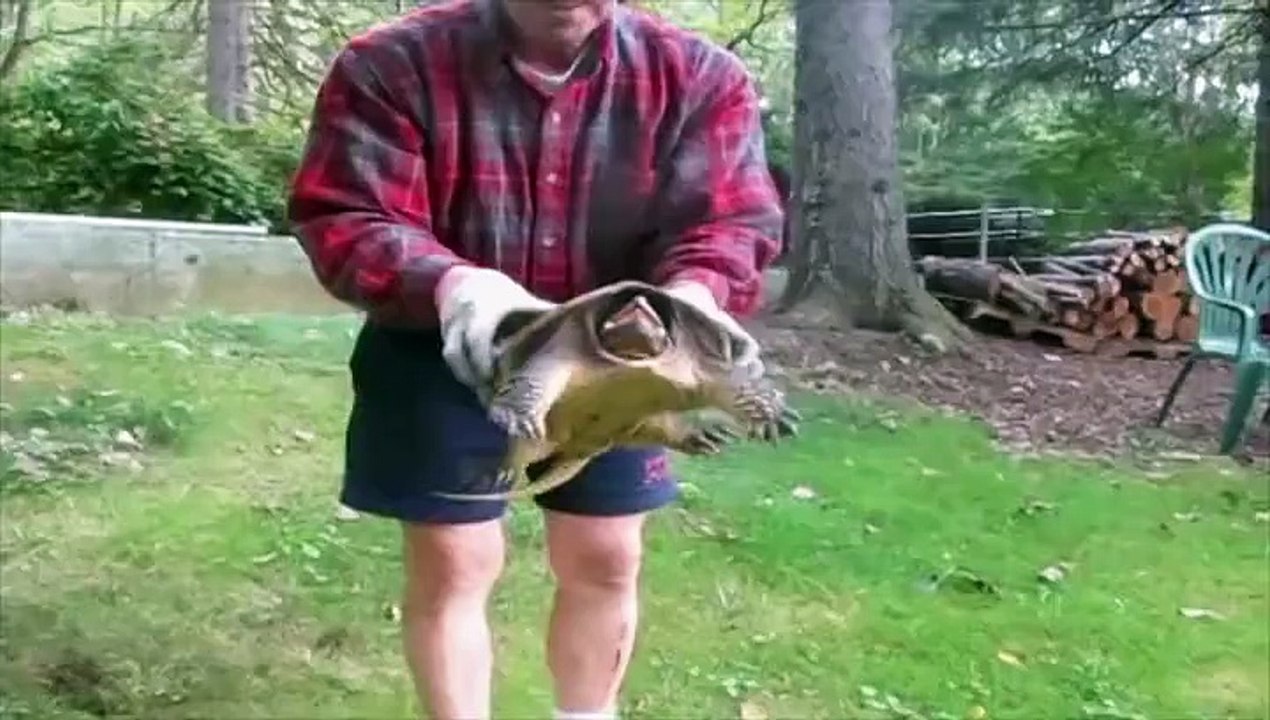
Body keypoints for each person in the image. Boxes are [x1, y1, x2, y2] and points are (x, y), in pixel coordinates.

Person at [286, 0, 783, 717]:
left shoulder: (700, 77)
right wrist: (456, 286)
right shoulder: (388, 64)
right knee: (457, 561)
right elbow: (346, 214)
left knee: (607, 555)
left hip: (621, 352)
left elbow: (729, 221)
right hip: (444, 342)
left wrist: (693, 300)